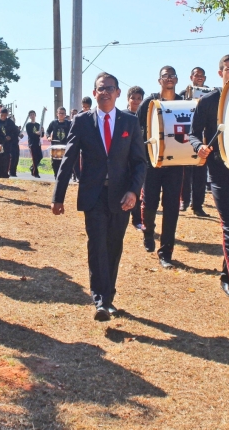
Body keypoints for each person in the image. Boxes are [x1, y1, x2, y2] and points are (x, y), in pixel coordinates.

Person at [52, 72, 146, 321]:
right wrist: (58, 196)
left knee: (114, 246)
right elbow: (69, 159)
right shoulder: (82, 121)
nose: (105, 92)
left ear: (117, 92)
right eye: (100, 88)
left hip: (121, 196)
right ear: (94, 93)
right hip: (93, 195)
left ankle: (109, 296)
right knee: (97, 246)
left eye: (110, 88)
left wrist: (133, 191)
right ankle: (100, 301)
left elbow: (139, 162)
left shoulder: (130, 122)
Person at [190, 54, 229, 305]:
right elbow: (193, 134)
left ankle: (225, 273)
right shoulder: (208, 101)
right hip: (219, 170)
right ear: (220, 74)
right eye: (228, 69)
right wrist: (200, 148)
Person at [136, 66, 185, 268]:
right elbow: (136, 126)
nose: (169, 79)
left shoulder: (184, 103)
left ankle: (166, 251)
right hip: (152, 162)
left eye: (172, 75)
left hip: (175, 163)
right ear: (159, 80)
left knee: (172, 207)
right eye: (165, 76)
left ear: (177, 79)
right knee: (149, 203)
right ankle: (148, 232)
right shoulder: (150, 102)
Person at [181, 67, 210, 218]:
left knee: (200, 174)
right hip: (185, 138)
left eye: (201, 75)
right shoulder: (183, 94)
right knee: (185, 174)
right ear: (191, 77)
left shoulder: (210, 94)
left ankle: (198, 205)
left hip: (203, 138)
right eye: (196, 75)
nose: (199, 77)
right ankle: (184, 201)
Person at [125, 85, 145, 230]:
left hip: (140, 159)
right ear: (128, 99)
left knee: (138, 188)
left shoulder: (144, 117)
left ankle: (138, 219)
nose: (136, 101)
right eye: (133, 98)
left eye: (139, 99)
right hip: (125, 160)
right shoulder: (122, 116)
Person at [45, 107, 71, 178]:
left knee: (65, 163)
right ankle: (56, 177)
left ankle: (64, 177)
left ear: (65, 114)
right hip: (55, 146)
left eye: (63, 113)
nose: (61, 115)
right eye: (60, 113)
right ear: (57, 114)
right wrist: (48, 137)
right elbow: (47, 132)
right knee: (55, 163)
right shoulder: (53, 123)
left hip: (65, 146)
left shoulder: (69, 123)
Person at [0, 108, 19, 179]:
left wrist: (10, 137)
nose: (3, 117)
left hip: (7, 144)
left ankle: (5, 173)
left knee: (6, 158)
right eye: (2, 115)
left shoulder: (10, 122)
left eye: (5, 115)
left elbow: (15, 132)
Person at [25, 110, 43, 177]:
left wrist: (42, 131)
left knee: (40, 156)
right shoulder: (28, 125)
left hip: (38, 143)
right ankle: (35, 173)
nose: (32, 116)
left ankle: (32, 167)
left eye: (33, 114)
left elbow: (42, 135)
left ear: (35, 115)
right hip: (32, 143)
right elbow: (30, 134)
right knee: (34, 158)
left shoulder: (38, 125)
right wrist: (36, 133)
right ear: (29, 116)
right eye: (31, 115)